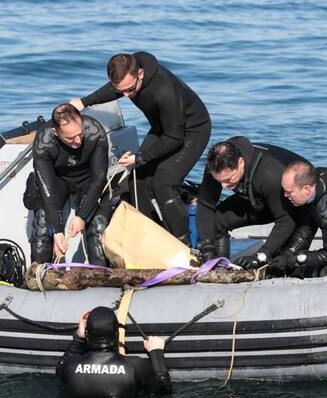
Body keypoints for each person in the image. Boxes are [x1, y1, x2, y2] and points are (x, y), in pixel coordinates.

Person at [69, 51, 211, 245]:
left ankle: (183, 244)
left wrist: (140, 157)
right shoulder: (130, 73)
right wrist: (84, 102)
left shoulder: (164, 91)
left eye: (130, 89)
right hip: (163, 128)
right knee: (137, 181)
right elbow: (114, 90)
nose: (127, 95)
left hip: (191, 131)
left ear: (141, 73)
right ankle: (149, 238)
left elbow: (174, 138)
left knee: (164, 183)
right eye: (122, 91)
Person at [196, 136, 308, 268]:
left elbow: (286, 220)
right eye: (219, 181)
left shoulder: (269, 174)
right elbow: (205, 205)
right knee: (216, 220)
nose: (223, 186)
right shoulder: (215, 166)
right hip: (256, 198)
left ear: (241, 163)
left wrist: (261, 254)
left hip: (294, 206)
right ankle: (219, 267)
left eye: (228, 180)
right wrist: (208, 245)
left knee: (282, 264)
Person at [23, 103, 110, 265]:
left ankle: (99, 273)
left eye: (80, 134)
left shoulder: (94, 131)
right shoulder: (44, 141)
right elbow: (47, 188)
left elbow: (99, 177)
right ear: (55, 132)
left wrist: (82, 216)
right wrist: (57, 230)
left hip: (87, 180)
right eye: (70, 138)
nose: (77, 141)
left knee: (97, 226)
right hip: (58, 181)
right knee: (42, 227)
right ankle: (40, 272)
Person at [56, 306, 172, 398]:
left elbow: (60, 366)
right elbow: (163, 391)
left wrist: (79, 338)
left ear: (87, 334)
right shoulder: (136, 366)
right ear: (117, 334)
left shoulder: (71, 365)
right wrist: (156, 353)